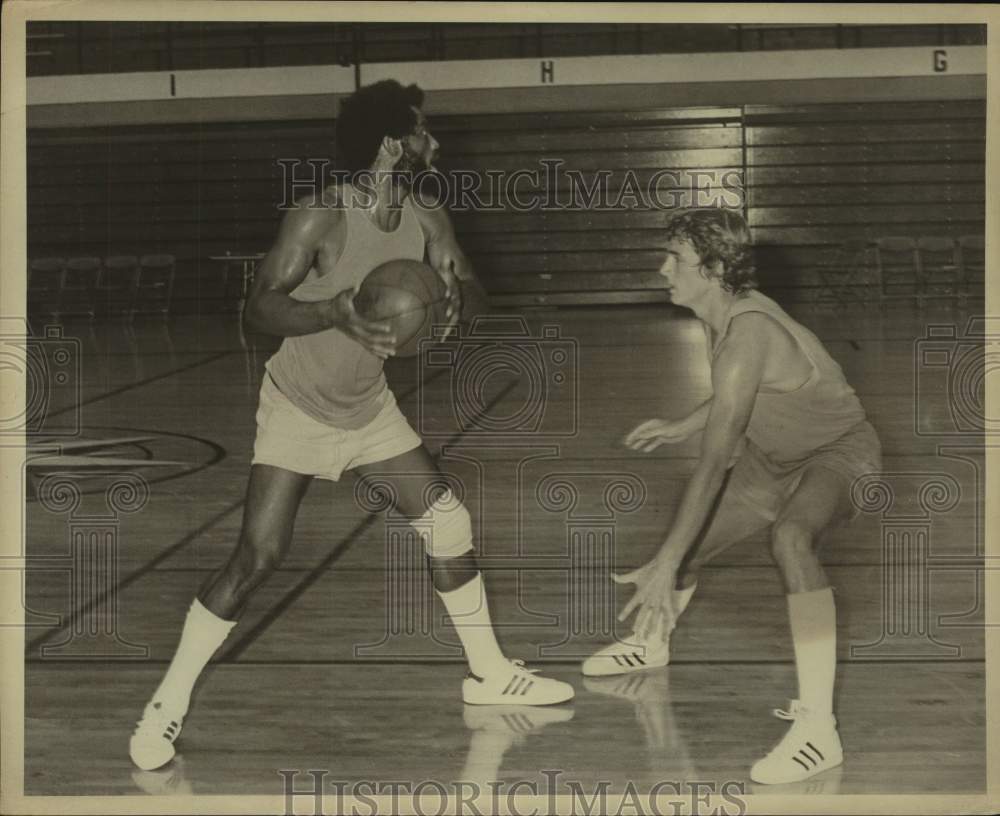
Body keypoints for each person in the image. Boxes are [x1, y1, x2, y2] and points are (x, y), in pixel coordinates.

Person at [129, 80, 573, 773]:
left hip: (369, 408)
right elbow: (258, 311)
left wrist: (460, 303)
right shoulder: (319, 216)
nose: (436, 143)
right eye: (424, 132)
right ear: (394, 143)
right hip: (298, 404)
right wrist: (329, 313)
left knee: (447, 522)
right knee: (258, 557)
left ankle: (488, 674)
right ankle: (165, 707)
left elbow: (477, 292)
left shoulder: (428, 215)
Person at [582, 208, 881, 785]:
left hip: (844, 456)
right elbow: (736, 394)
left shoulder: (748, 331)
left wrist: (662, 559)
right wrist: (685, 423)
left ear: (715, 268)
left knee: (791, 538)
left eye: (676, 258)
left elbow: (717, 462)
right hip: (774, 458)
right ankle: (651, 643)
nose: (663, 267)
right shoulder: (717, 313)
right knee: (691, 549)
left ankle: (819, 731)